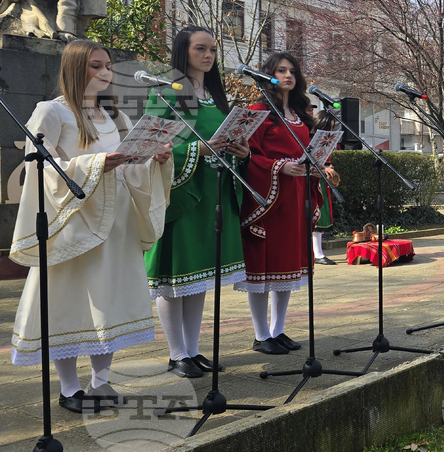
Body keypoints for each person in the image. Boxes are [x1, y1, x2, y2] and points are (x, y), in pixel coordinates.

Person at [9, 40, 171, 412]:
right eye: (95, 65)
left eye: (108, 66)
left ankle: (101, 382)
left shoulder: (116, 116)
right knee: (65, 302)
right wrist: (96, 164)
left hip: (117, 222)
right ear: (74, 67)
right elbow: (39, 166)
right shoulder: (51, 111)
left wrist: (153, 160)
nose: (105, 73)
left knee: (107, 301)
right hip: (72, 223)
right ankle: (70, 388)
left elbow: (130, 167)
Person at [144, 27, 251, 378]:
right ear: (183, 51)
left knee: (199, 278)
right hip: (181, 195)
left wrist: (241, 151)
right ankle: (176, 354)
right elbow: (152, 145)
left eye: (212, 50)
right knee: (175, 275)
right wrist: (197, 149)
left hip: (213, 193)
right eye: (200, 49)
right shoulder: (166, 93)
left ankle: (192, 350)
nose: (208, 56)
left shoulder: (216, 97)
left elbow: (223, 139)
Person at [237, 52, 320, 355]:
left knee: (288, 267)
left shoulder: (300, 113)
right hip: (269, 199)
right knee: (264, 268)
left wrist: (317, 167)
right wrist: (279, 167)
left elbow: (307, 152)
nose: (288, 76)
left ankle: (278, 329)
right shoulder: (257, 111)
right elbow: (248, 155)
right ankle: (261, 334)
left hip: (296, 196)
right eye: (281, 70)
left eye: (292, 71)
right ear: (268, 75)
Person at [310, 109, 341, 266]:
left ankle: (318, 252)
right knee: (313, 215)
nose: (331, 129)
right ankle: (316, 253)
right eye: (329, 126)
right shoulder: (307, 138)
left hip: (320, 181)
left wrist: (329, 168)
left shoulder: (325, 140)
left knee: (320, 217)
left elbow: (326, 161)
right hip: (309, 180)